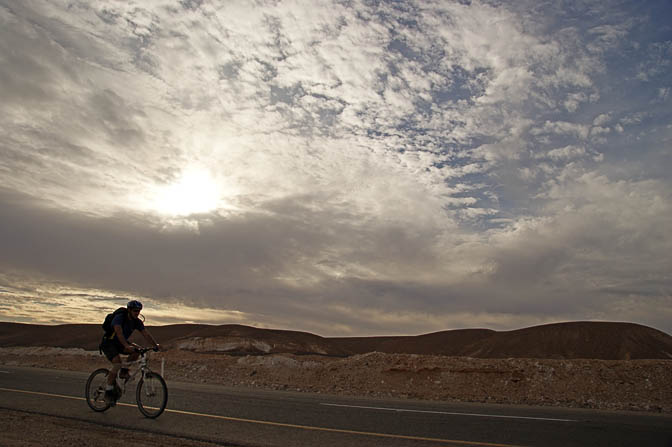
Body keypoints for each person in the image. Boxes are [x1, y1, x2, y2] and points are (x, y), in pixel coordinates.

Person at [100, 300, 160, 404]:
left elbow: (145, 334)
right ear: (129, 310)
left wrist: (155, 345)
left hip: (120, 343)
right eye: (135, 310)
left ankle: (124, 371)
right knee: (117, 363)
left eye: (139, 311)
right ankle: (108, 392)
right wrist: (126, 345)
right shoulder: (120, 317)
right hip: (109, 342)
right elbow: (118, 332)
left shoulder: (137, 321)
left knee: (137, 350)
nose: (137, 313)